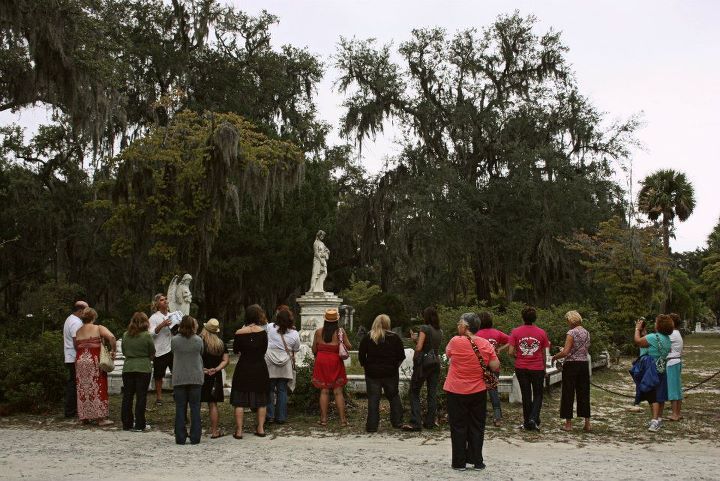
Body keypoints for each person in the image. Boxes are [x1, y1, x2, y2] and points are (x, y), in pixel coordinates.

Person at [444, 313, 499, 471]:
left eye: (459, 323)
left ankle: (459, 462)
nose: (457, 326)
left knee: (458, 426)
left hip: (455, 390)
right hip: (478, 390)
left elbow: (448, 354)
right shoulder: (486, 344)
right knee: (477, 425)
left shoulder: (455, 341)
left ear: (466, 327)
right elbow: (495, 366)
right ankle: (477, 461)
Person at [358, 314, 406, 432]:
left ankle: (372, 426)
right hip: (390, 372)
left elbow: (361, 355)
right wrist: (395, 366)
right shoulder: (394, 337)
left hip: (372, 373)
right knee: (394, 396)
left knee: (373, 399)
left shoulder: (368, 337)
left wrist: (366, 366)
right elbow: (401, 356)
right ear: (388, 324)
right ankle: (397, 422)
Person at [231, 304, 270, 439]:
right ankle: (260, 428)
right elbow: (264, 350)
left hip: (244, 367)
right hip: (259, 367)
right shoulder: (263, 332)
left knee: (239, 401)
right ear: (258, 316)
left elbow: (236, 350)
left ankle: (239, 431)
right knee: (261, 400)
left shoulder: (239, 333)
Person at [508, 306, 550, 431]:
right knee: (538, 394)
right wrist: (544, 368)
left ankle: (528, 422)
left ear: (522, 317)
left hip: (521, 367)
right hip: (537, 368)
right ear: (535, 318)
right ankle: (533, 419)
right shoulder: (542, 332)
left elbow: (510, 352)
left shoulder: (515, 332)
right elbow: (543, 353)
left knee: (526, 395)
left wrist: (519, 355)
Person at [631, 314, 674, 432]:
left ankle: (654, 421)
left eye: (656, 322)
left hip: (650, 369)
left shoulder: (653, 337)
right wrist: (645, 334)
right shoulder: (666, 339)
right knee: (660, 394)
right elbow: (652, 345)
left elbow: (638, 341)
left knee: (652, 394)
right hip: (661, 368)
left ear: (659, 325)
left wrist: (637, 329)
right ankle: (658, 419)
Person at [550, 310, 591, 432]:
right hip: (583, 364)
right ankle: (587, 423)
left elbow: (566, 352)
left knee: (568, 393)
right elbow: (585, 349)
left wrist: (555, 357)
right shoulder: (587, 333)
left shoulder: (571, 332)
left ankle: (568, 424)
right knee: (584, 392)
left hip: (571, 365)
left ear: (571, 320)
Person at [75, 307, 116, 426]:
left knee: (83, 388)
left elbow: (76, 345)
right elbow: (112, 337)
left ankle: (84, 417)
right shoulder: (98, 328)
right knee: (98, 385)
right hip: (94, 359)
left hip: (81, 359)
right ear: (93, 317)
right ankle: (100, 418)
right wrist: (113, 350)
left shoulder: (78, 331)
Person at [403, 307, 443, 431]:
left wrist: (415, 341)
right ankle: (430, 422)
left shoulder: (424, 328)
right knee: (432, 393)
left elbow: (420, 347)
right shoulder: (439, 331)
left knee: (414, 391)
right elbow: (431, 347)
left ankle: (415, 422)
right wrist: (418, 340)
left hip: (424, 364)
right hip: (435, 362)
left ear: (426, 317)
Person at [311, 308, 351, 427]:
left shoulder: (318, 332)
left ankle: (323, 420)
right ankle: (343, 420)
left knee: (324, 391)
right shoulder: (340, 332)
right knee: (338, 392)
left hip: (321, 361)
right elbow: (348, 346)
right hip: (335, 361)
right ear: (336, 320)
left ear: (325, 320)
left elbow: (314, 349)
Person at [171, 315, 204, 444]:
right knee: (195, 408)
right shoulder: (198, 340)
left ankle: (180, 436)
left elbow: (173, 352)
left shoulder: (174, 340)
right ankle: (195, 436)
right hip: (195, 376)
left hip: (179, 377)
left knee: (180, 407)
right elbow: (201, 353)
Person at [121, 312, 155, 432]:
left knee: (127, 396)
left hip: (128, 367)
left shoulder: (125, 335)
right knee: (141, 397)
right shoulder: (147, 335)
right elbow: (152, 351)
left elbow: (124, 351)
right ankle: (140, 423)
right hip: (143, 367)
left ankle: (126, 423)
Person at [265, 309, 300, 425]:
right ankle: (281, 417)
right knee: (282, 390)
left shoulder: (270, 327)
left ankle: (269, 416)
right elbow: (296, 349)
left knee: (269, 390)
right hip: (285, 364)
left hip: (270, 362)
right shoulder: (295, 334)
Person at [475, 311, 509, 426]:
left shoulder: (477, 334)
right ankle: (497, 417)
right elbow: (510, 340)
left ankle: (480, 416)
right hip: (495, 365)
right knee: (493, 391)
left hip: (480, 366)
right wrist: (500, 349)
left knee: (479, 392)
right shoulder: (497, 333)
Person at [200, 318, 229, 438]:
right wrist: (216, 369)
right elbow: (226, 360)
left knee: (196, 403)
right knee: (213, 404)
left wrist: (204, 369)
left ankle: (195, 429)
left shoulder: (199, 341)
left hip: (201, 374)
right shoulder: (221, 343)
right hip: (215, 375)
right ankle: (214, 431)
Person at [63, 300, 88, 418]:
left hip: (70, 356)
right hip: (74, 356)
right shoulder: (76, 322)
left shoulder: (70, 319)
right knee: (74, 384)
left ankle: (72, 409)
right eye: (85, 311)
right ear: (80, 311)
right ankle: (70, 410)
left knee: (73, 383)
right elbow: (76, 341)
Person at [148, 293, 173, 406]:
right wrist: (162, 324)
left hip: (172, 349)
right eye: (162, 300)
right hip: (160, 350)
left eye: (166, 299)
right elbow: (151, 334)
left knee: (176, 373)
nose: (165, 301)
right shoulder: (153, 318)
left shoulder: (172, 315)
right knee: (159, 375)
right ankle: (159, 397)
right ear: (157, 304)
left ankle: (177, 393)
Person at [666, 313, 684, 421]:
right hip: (676, 361)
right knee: (677, 389)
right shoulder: (677, 333)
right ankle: (677, 412)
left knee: (673, 389)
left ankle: (674, 414)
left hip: (672, 362)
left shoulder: (672, 333)